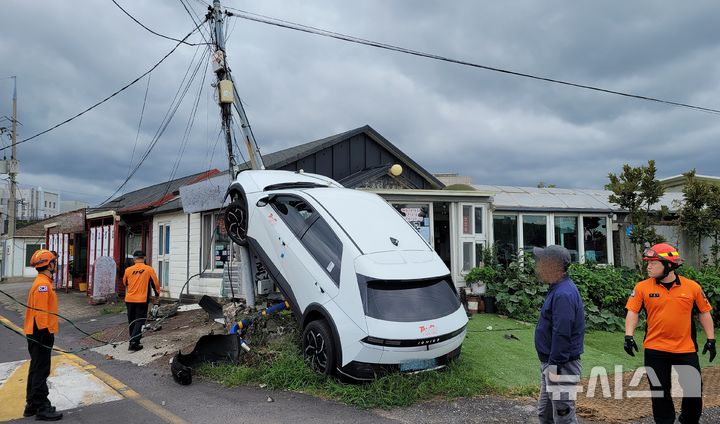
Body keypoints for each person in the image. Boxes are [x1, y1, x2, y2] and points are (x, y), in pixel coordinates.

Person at [624, 243, 715, 424]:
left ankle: (689, 420)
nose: (648, 266)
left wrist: (711, 339)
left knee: (693, 389)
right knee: (660, 391)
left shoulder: (692, 287)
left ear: (669, 265)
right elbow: (633, 312)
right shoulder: (642, 287)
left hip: (685, 348)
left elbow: (704, 312)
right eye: (647, 262)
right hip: (655, 348)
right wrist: (628, 335)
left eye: (653, 262)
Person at [534, 245, 585, 424]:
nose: (538, 266)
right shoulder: (557, 288)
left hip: (561, 366)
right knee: (545, 414)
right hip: (552, 364)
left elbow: (562, 333)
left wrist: (554, 366)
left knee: (564, 417)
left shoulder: (564, 293)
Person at [24, 249, 63, 421]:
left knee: (36, 368)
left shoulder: (43, 282)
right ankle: (41, 407)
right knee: (41, 369)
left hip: (37, 331)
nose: (56, 265)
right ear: (50, 265)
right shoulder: (43, 285)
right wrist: (45, 333)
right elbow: (40, 313)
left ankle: (32, 404)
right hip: (41, 332)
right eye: (54, 262)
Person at [122, 250, 160, 352]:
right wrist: (157, 295)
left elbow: (124, 283)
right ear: (144, 258)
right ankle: (134, 342)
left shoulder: (128, 270)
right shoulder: (148, 269)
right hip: (142, 299)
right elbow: (155, 284)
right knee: (140, 320)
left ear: (134, 259)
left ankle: (134, 339)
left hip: (129, 299)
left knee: (131, 320)